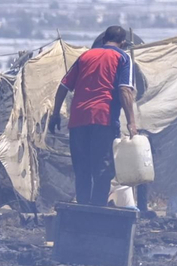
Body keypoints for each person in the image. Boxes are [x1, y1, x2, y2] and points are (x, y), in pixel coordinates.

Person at [48, 26, 139, 207]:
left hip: (78, 120)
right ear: (122, 43)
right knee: (102, 168)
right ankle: (98, 209)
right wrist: (131, 122)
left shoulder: (85, 56)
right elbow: (124, 90)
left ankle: (83, 207)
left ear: (104, 40)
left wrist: (55, 114)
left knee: (82, 167)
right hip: (103, 119)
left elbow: (64, 86)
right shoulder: (122, 57)